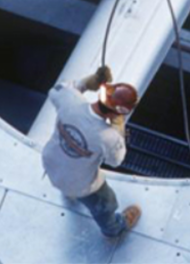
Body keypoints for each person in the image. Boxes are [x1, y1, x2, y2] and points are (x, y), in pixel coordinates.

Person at [41, 66, 141, 238]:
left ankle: (68, 195)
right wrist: (118, 128)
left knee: (66, 176)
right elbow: (116, 160)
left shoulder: (71, 100)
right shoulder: (109, 137)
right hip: (80, 184)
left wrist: (89, 81)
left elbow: (56, 91)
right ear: (119, 113)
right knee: (106, 203)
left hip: (51, 163)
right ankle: (114, 229)